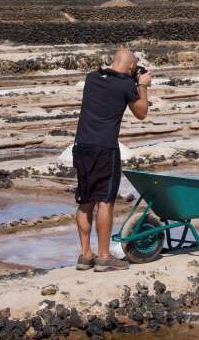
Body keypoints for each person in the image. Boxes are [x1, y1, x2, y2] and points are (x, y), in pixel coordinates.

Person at [72, 47, 151, 272]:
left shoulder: (92, 78)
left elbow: (111, 82)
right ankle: (104, 257)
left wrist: (131, 78)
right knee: (105, 202)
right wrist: (142, 85)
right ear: (130, 67)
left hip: (82, 146)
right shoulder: (126, 85)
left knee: (85, 200)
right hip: (105, 148)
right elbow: (141, 112)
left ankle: (85, 255)